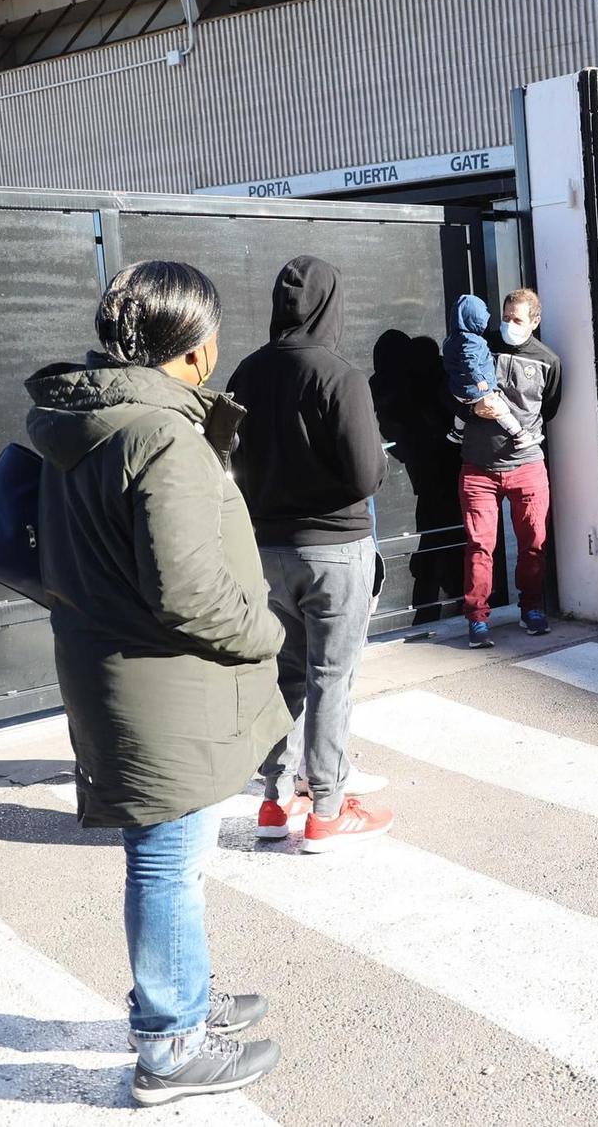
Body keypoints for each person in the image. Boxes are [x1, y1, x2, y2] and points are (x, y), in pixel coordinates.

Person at [25, 261, 285, 1106]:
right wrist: (268, 629)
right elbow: (189, 589)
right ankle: (170, 1042)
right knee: (169, 862)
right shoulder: (163, 434)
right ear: (198, 351)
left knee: (173, 857)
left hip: (119, 671)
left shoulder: (82, 422)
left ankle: (188, 996)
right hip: (160, 685)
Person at [226, 256, 394, 852]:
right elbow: (364, 475)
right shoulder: (340, 376)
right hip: (334, 550)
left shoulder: (245, 373)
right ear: (331, 304)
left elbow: (232, 462)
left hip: (265, 549)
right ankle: (326, 806)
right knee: (332, 677)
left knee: (283, 675)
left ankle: (276, 801)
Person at [458, 287, 562, 647]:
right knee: (479, 545)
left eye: (517, 320)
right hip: (479, 467)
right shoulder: (481, 346)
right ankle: (477, 619)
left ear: (535, 321)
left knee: (534, 543)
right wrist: (471, 410)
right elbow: (452, 391)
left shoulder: (549, 361)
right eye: (505, 319)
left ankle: (532, 609)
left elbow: (549, 408)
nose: (509, 326)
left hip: (527, 466)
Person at [444, 294, 524, 448]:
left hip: (459, 390)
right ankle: (519, 433)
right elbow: (469, 361)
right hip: (476, 388)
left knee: (462, 411)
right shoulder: (472, 340)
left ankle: (457, 432)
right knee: (500, 409)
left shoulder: (451, 340)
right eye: (506, 318)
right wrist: (479, 379)